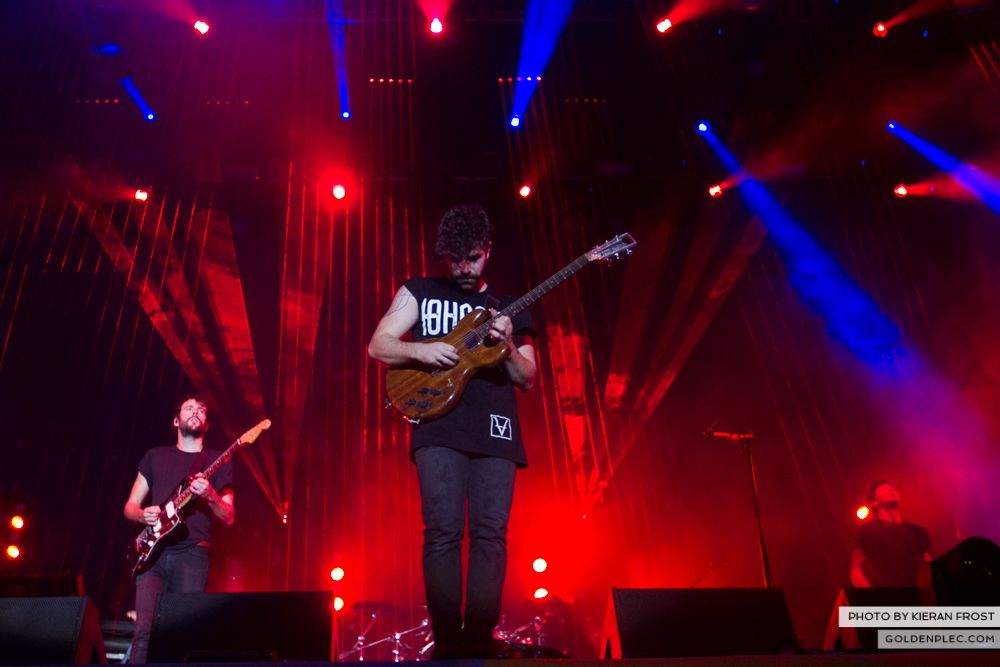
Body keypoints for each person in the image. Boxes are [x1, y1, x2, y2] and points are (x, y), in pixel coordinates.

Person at [368, 204, 538, 658]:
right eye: (456, 259)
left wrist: (504, 348)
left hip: (496, 430)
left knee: (490, 534)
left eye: (473, 258)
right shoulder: (419, 291)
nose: (464, 268)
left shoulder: (510, 307)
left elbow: (528, 378)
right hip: (436, 423)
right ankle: (447, 641)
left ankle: (479, 638)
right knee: (442, 532)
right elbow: (378, 345)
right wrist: (424, 352)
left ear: (488, 251)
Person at [123, 396, 234, 663]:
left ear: (206, 424)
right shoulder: (155, 456)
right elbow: (130, 507)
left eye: (201, 410)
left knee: (182, 634)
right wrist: (142, 515)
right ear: (176, 421)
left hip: (192, 555)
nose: (196, 412)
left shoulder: (217, 460)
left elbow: (228, 516)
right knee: (144, 634)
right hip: (152, 557)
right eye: (189, 408)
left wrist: (209, 495)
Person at [850, 480, 931, 588]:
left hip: (920, 595)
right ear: (874, 502)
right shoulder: (866, 531)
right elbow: (856, 569)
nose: (891, 490)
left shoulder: (917, 530)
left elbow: (928, 562)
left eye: (893, 489)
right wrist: (872, 597)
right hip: (891, 596)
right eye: (884, 489)